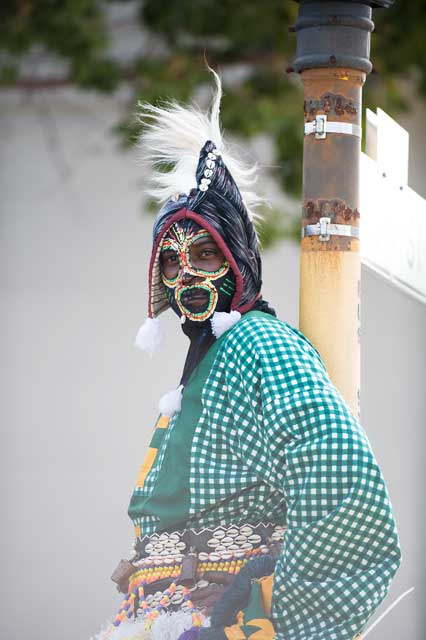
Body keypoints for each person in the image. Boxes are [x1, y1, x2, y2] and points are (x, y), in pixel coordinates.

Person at [95, 71, 401, 640]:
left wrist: (286, 619)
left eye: (206, 253)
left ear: (237, 259)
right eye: (170, 261)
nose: (185, 273)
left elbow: (341, 478)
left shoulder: (257, 345)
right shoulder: (211, 364)